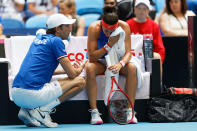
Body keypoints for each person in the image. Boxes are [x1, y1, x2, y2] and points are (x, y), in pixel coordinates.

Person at [11, 13, 87, 128]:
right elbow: (72, 74)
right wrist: (81, 66)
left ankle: (26, 110)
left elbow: (43, 70)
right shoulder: (56, 41)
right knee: (80, 81)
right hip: (32, 95)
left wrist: (64, 71)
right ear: (58, 29)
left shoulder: (39, 39)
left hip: (16, 93)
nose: (70, 28)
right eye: (67, 25)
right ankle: (43, 110)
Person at [86, 6, 138, 125]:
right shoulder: (94, 28)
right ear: (102, 25)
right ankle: (94, 112)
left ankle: (130, 111)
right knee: (89, 68)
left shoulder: (124, 26)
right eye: (106, 31)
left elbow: (128, 52)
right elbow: (92, 57)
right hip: (100, 61)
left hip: (116, 61)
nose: (109, 34)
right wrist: (108, 45)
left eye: (112, 31)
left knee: (132, 68)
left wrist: (121, 64)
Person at [126, 0, 165, 70]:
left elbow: (160, 48)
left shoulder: (154, 26)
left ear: (148, 10)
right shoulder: (127, 25)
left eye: (144, 8)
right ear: (134, 9)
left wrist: (159, 61)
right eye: (139, 8)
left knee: (157, 56)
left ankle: (157, 81)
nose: (141, 11)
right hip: (132, 55)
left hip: (149, 56)